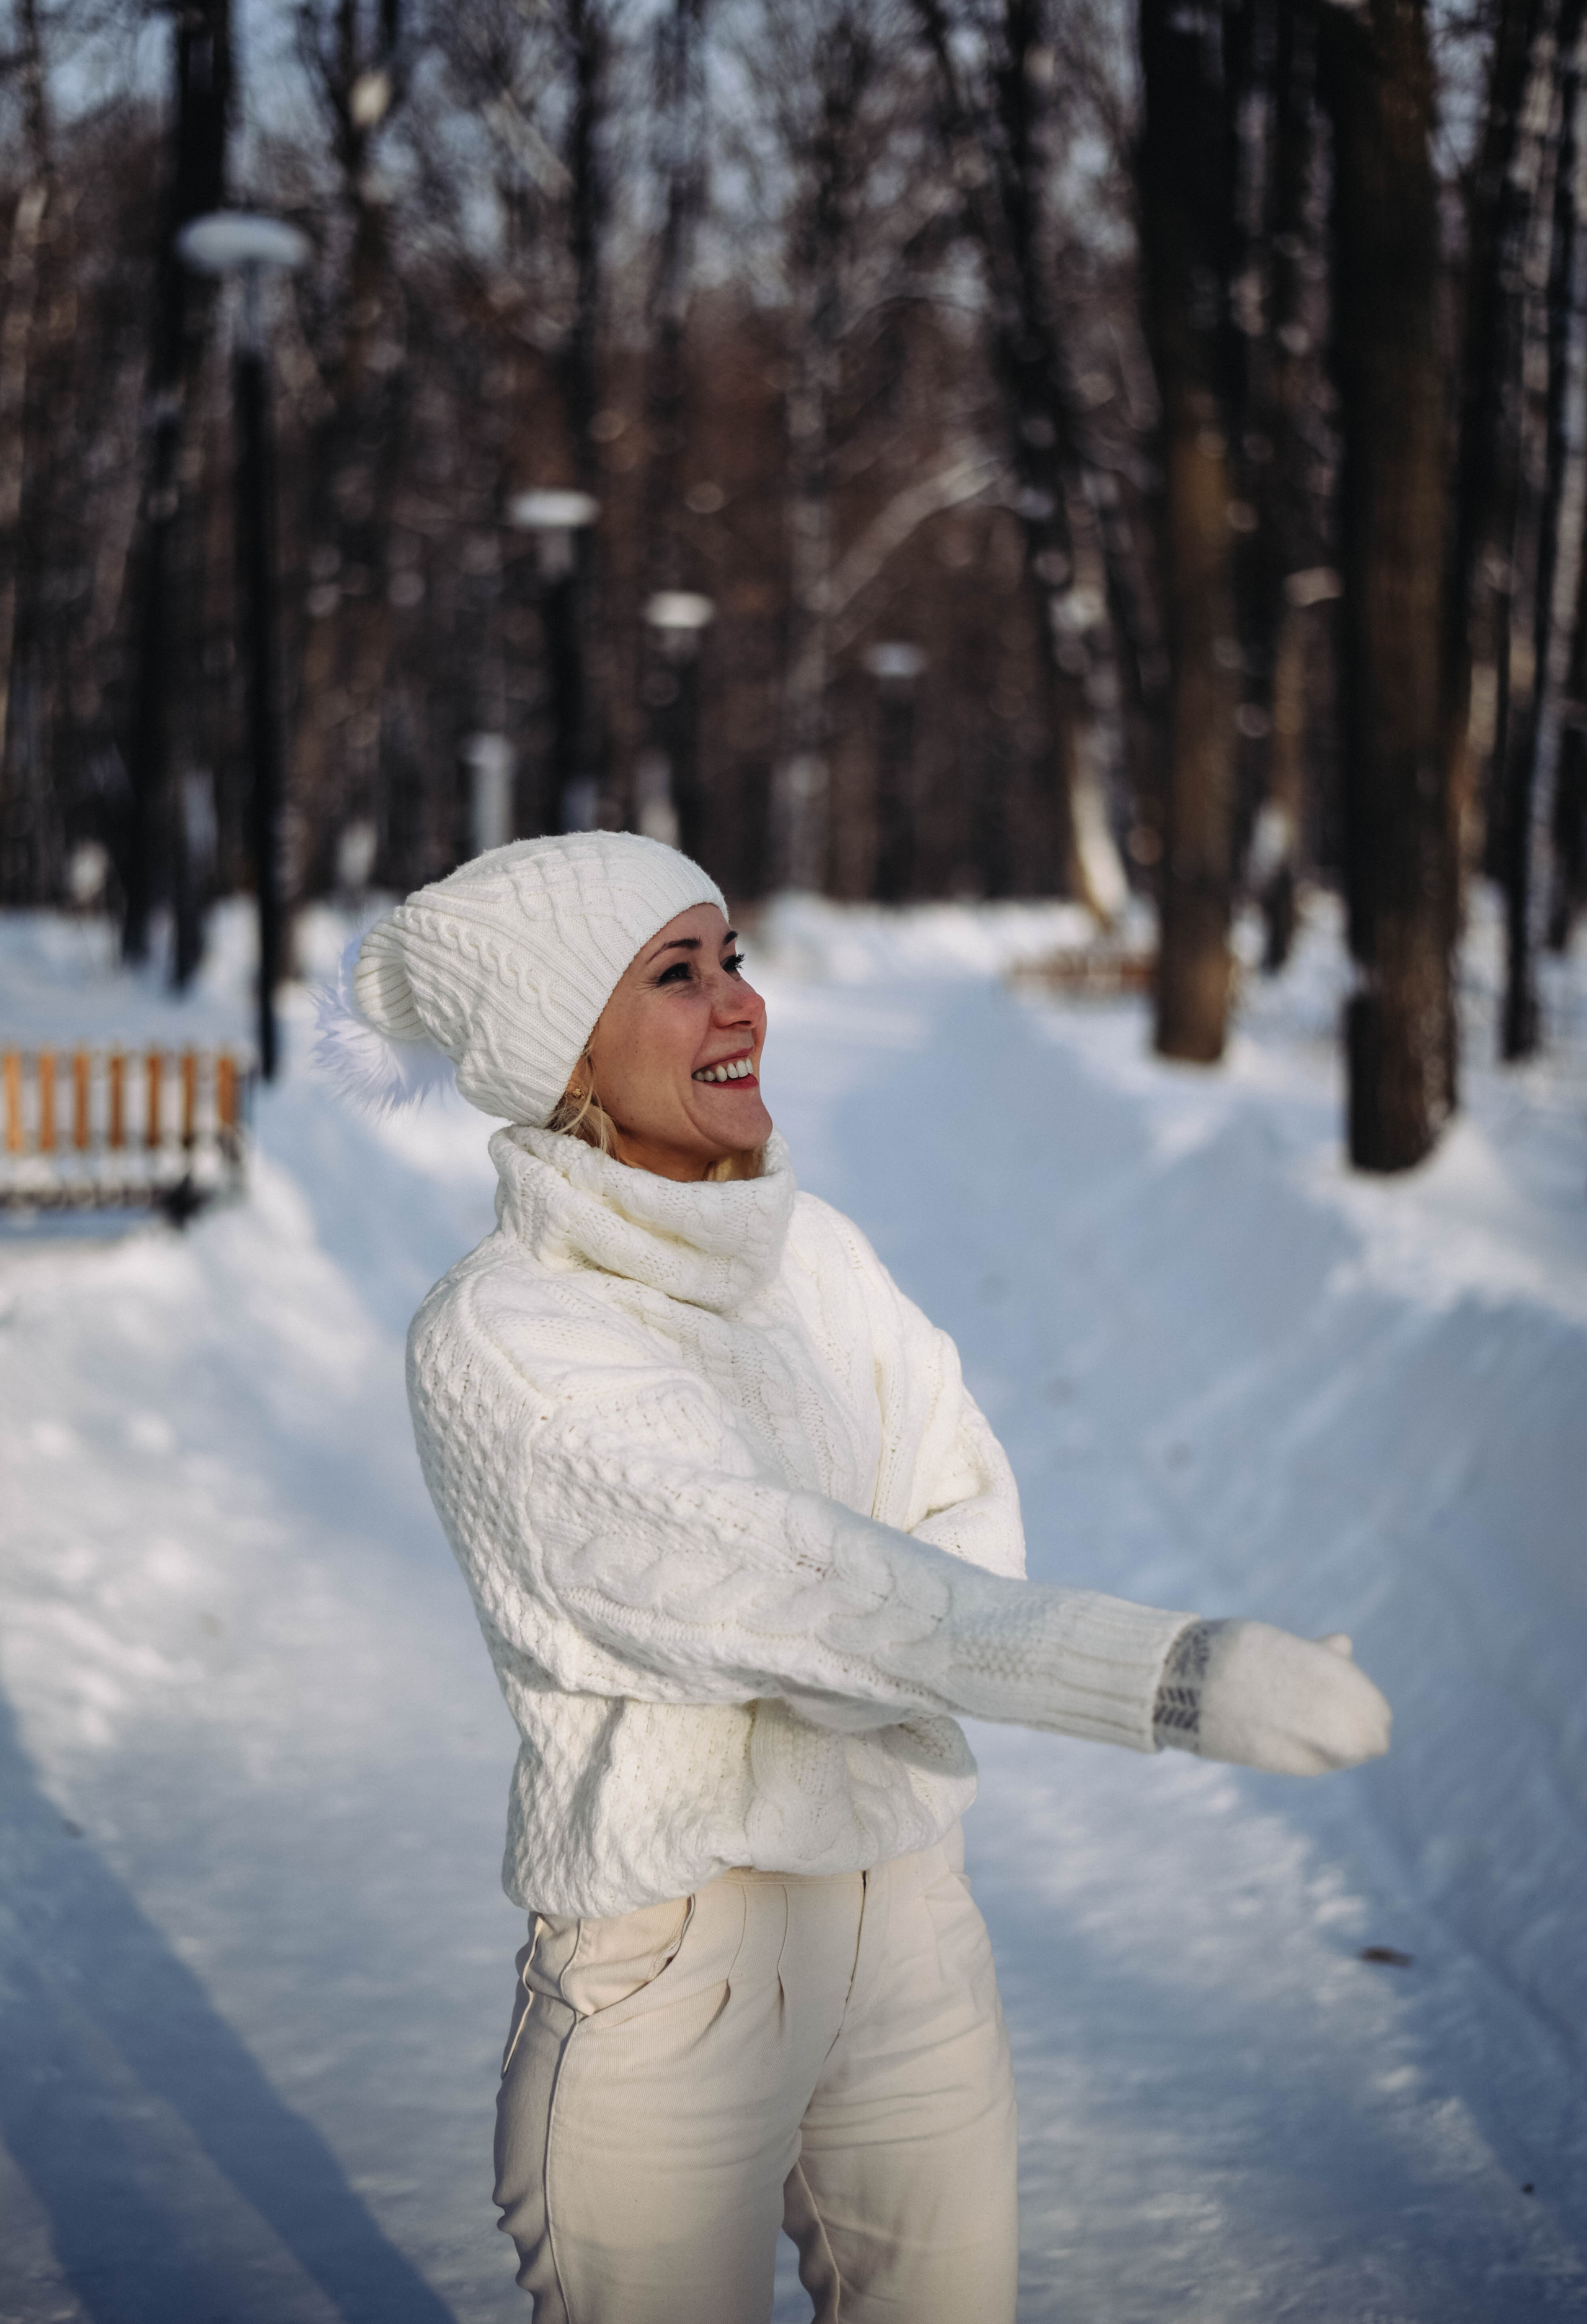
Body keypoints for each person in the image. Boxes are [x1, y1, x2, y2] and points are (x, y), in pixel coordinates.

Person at [316, 830, 1390, 2324]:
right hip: (677, 1970)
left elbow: (964, 1508)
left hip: (910, 1932)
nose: (738, 1005)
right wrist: (1170, 1675)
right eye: (676, 975)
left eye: (733, 959)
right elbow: (798, 1589)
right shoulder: (505, 1337)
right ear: (563, 1051)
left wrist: (868, 1642)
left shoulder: (816, 1255)